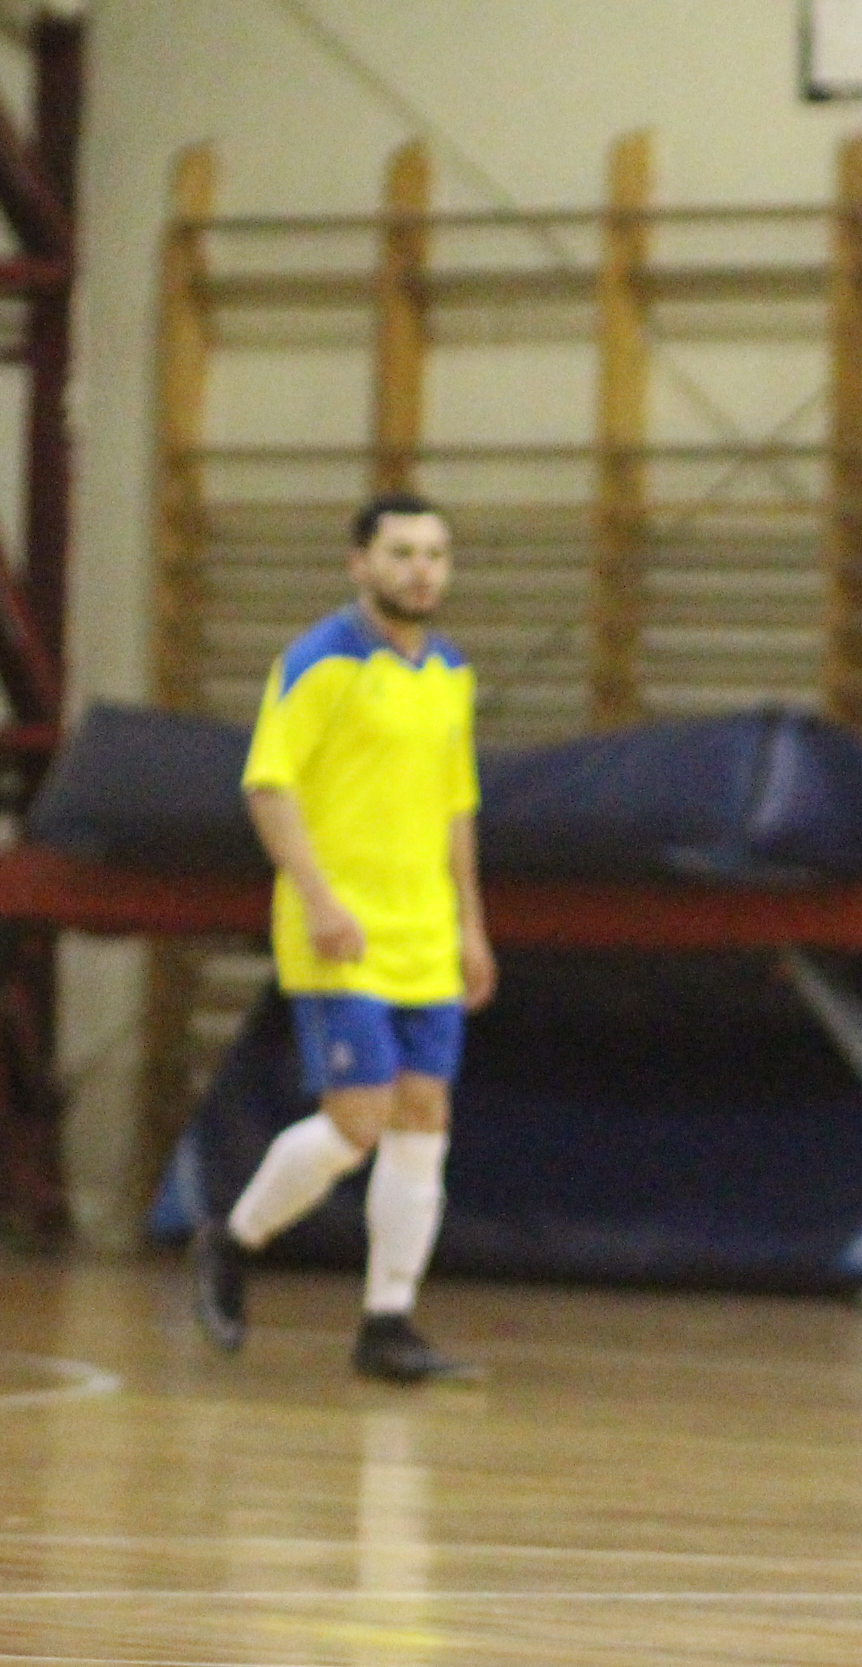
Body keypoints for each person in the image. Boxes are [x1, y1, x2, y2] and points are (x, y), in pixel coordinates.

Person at [188, 493, 494, 1383]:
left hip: (424, 933)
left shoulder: (450, 671)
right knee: (358, 1120)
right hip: (341, 933)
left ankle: (387, 1321)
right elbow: (268, 786)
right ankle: (232, 1241)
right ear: (360, 563)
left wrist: (472, 924)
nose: (421, 570)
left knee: (424, 1116)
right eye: (402, 553)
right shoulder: (319, 662)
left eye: (435, 553)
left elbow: (457, 806)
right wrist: (319, 900)